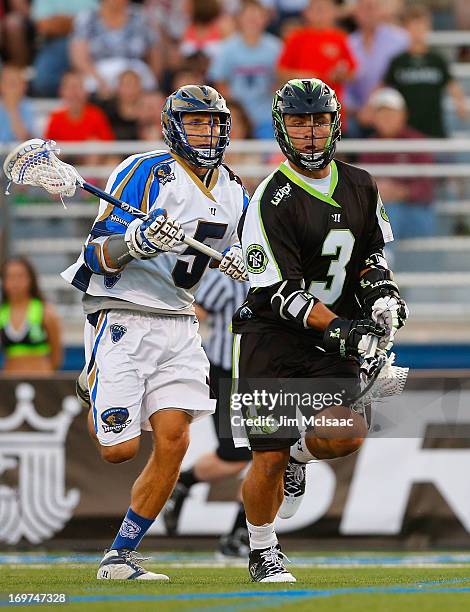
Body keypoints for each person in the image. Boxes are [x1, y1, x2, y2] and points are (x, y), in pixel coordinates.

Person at [64, 84, 249, 581]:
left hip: (181, 319)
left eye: (213, 122)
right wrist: (135, 242)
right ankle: (93, 384)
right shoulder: (144, 171)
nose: (206, 132)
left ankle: (119, 556)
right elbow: (95, 253)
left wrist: (243, 263)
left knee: (174, 439)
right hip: (124, 311)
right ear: (174, 127)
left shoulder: (235, 191)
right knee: (117, 450)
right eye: (195, 122)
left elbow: (262, 260)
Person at [231, 78, 408, 582]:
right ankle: (263, 550)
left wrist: (382, 296)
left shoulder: (360, 183)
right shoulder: (270, 196)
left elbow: (371, 256)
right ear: (282, 127)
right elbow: (281, 295)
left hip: (335, 330)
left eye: (317, 121)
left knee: (346, 435)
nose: (309, 133)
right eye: (298, 122)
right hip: (273, 335)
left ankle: (298, 456)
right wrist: (348, 332)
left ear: (334, 123)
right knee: (267, 454)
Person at [162, 268, 251, 558]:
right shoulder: (234, 270)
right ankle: (184, 484)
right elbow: (194, 307)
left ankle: (242, 533)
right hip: (230, 372)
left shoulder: (287, 264)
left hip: (271, 372)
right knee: (238, 455)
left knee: (272, 456)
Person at [359, 87, 435, 244]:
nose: (386, 118)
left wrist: (401, 192)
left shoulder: (416, 142)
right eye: (382, 113)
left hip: (415, 212)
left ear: (403, 116)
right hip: (382, 211)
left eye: (391, 113)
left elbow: (427, 188)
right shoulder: (368, 146)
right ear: (374, 118)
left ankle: (384, 257)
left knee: (389, 211)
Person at [384, 4, 467, 138]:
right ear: (406, 28)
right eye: (413, 25)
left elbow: (452, 84)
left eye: (421, 25)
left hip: (434, 129)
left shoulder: (437, 59)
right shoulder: (398, 61)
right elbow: (384, 86)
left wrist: (460, 104)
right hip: (406, 132)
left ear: (428, 27)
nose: (417, 30)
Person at [277, 0, 356, 131]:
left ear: (333, 12)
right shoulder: (296, 38)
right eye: (316, 9)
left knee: (333, 146)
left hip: (331, 107)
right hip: (301, 108)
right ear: (306, 12)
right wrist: (303, 78)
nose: (320, 13)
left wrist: (340, 75)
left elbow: (352, 71)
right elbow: (280, 71)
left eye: (324, 9)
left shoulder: (340, 38)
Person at [209, 0, 282, 139]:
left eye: (257, 17)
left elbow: (281, 82)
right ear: (239, 19)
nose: (253, 21)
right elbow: (219, 82)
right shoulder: (227, 48)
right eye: (248, 17)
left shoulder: (276, 47)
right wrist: (236, 112)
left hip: (267, 116)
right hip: (236, 118)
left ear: (266, 19)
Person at [70, 0, 161, 98]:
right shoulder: (87, 18)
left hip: (135, 72)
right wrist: (101, 82)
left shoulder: (141, 16)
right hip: (99, 73)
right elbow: (79, 58)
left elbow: (156, 56)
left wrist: (149, 82)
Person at [345, 0, 409, 137]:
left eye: (372, 8)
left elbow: (403, 79)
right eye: (363, 9)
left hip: (393, 109)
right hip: (357, 114)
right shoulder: (347, 43)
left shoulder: (400, 40)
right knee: (343, 128)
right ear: (355, 13)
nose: (368, 13)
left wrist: (378, 108)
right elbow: (345, 87)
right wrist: (357, 110)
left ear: (381, 11)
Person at [0, 256, 62, 374]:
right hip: (9, 384)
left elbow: (57, 356)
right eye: (10, 277)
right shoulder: (2, 314)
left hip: (41, 383)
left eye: (20, 276)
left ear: (31, 280)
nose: (15, 282)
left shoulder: (46, 312)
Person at [44, 71, 115, 143]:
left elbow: (109, 148)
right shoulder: (56, 119)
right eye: (70, 87)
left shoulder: (96, 115)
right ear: (62, 91)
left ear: (86, 92)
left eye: (79, 87)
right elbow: (47, 149)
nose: (74, 92)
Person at [0, 64, 35, 144]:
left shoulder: (29, 107)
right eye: (10, 84)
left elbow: (24, 139)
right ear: (1, 86)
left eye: (17, 84)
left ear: (24, 87)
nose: (12, 89)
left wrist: (12, 109)